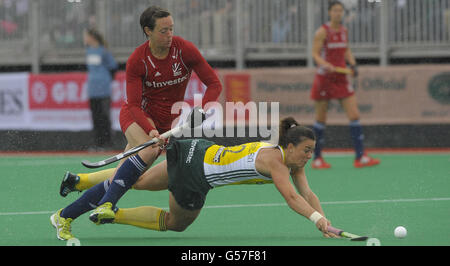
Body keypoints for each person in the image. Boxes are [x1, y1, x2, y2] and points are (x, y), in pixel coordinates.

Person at [51, 6, 222, 240]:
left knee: (126, 178)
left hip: (164, 125)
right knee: (150, 150)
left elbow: (214, 83)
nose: (170, 35)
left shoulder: (184, 51)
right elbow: (133, 105)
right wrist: (150, 130)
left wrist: (203, 108)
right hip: (136, 118)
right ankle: (108, 204)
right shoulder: (138, 60)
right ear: (147, 31)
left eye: (171, 29)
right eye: (163, 31)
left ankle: (64, 216)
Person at [51, 117, 339, 240]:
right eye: (306, 150)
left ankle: (79, 187)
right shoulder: (275, 161)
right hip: (195, 176)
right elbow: (292, 197)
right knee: (177, 224)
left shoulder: (291, 162)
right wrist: (316, 220)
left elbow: (308, 194)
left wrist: (323, 221)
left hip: (194, 148)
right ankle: (114, 215)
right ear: (289, 147)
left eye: (312, 151)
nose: (309, 156)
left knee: (135, 180)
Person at [310, 0, 380, 169]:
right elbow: (315, 54)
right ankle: (317, 159)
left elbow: (346, 50)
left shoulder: (343, 30)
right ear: (329, 12)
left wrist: (353, 64)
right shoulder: (322, 32)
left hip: (341, 78)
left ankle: (360, 157)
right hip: (325, 79)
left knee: (354, 115)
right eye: (335, 10)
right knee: (320, 120)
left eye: (340, 11)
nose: (338, 13)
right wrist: (324, 64)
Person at [84, 28, 118, 150]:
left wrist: (105, 80)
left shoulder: (103, 51)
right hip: (93, 90)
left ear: (92, 37)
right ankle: (98, 143)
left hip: (103, 90)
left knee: (104, 117)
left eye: (86, 36)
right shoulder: (88, 51)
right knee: (95, 117)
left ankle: (107, 143)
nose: (84, 39)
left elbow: (113, 67)